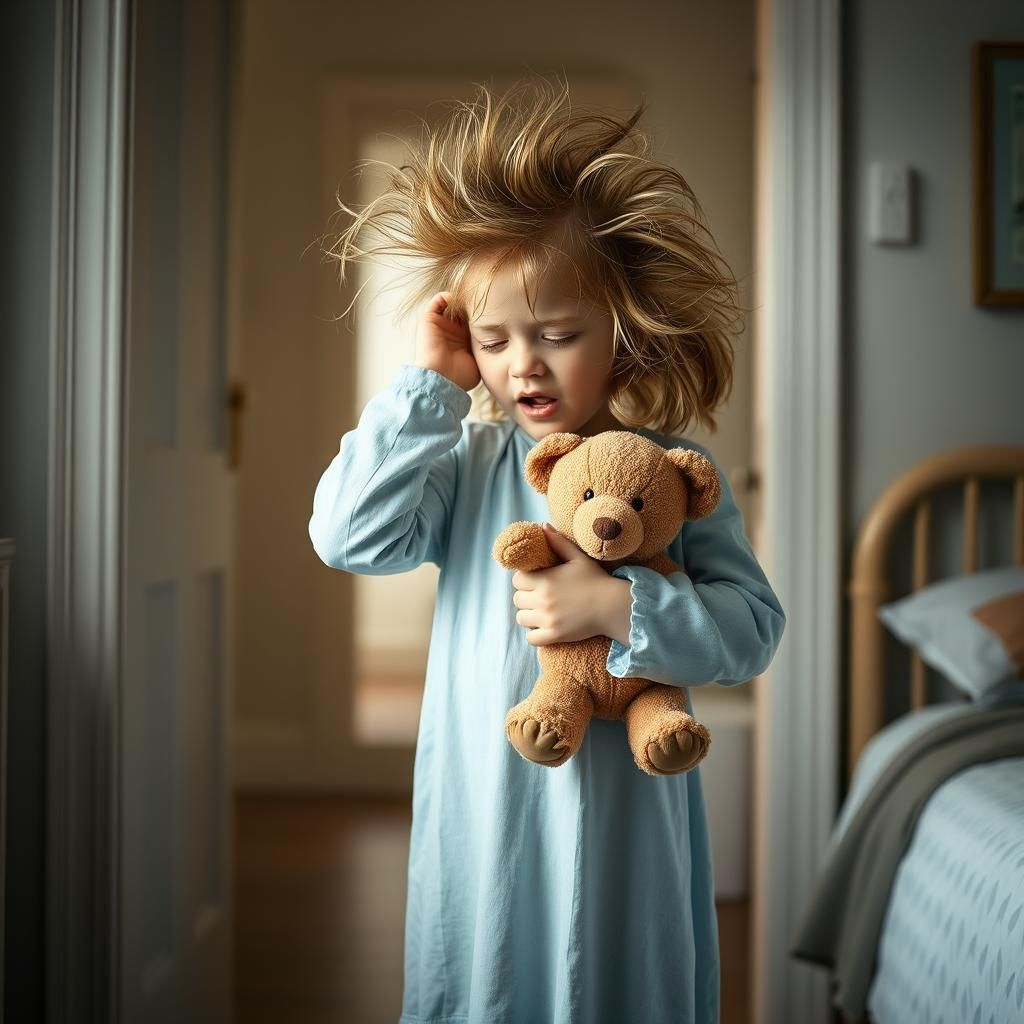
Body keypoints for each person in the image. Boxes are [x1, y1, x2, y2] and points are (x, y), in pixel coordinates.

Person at [309, 74, 785, 1024]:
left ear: (622, 332)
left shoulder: (675, 473)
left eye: (558, 334)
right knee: (488, 983)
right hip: (488, 816)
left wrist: (625, 610)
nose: (523, 362)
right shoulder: (466, 459)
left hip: (632, 833)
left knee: (624, 988)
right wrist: (428, 389)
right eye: (494, 339)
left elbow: (752, 630)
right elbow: (347, 537)